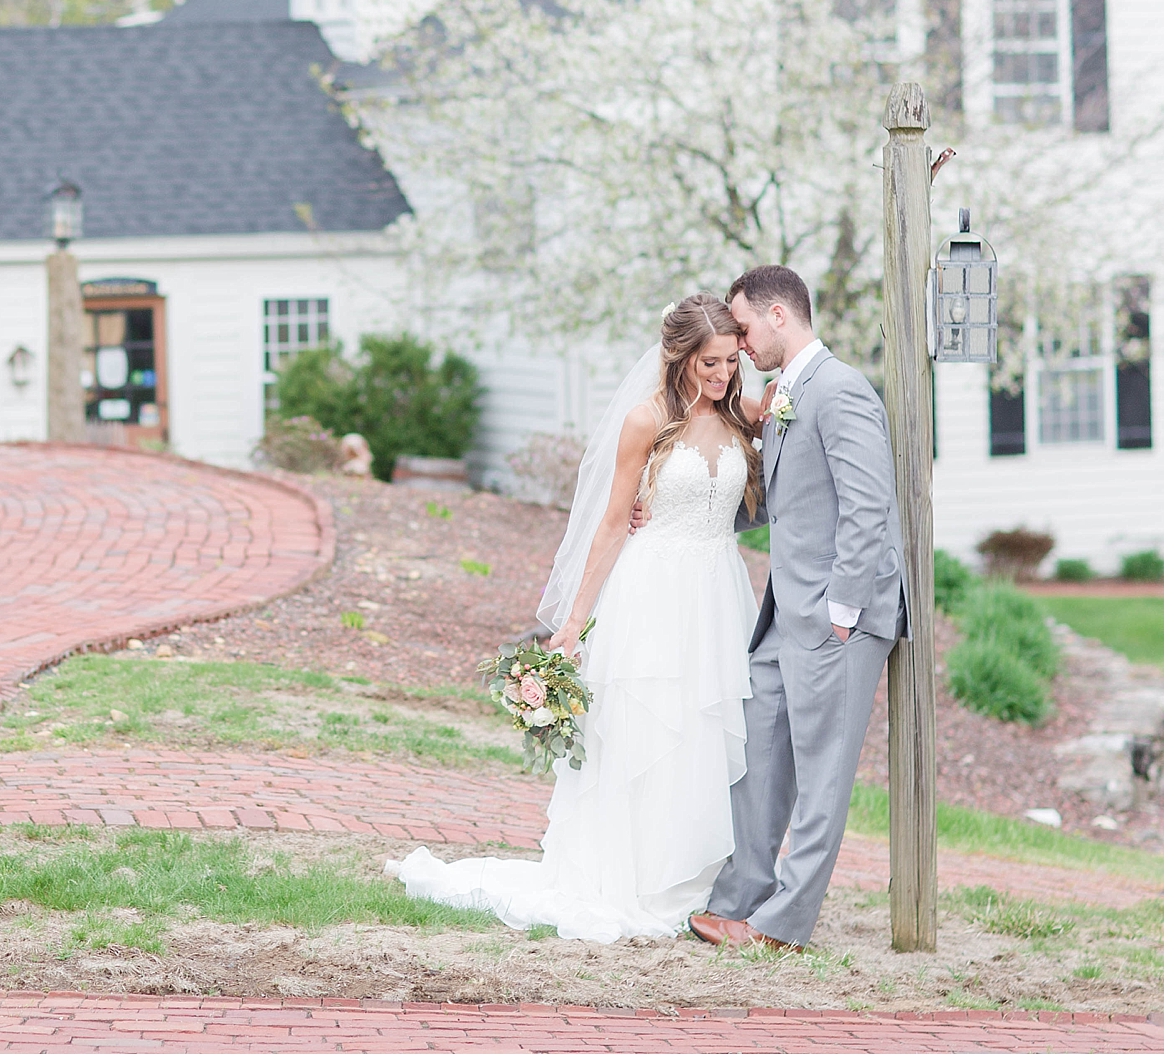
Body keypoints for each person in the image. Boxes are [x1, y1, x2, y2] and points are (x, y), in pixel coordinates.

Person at [385, 294, 766, 943]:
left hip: (717, 594)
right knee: (649, 726)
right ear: (678, 358)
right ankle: (635, 879)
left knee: (703, 729)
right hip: (651, 593)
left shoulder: (744, 420)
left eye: (732, 361)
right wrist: (574, 621)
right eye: (709, 362)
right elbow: (614, 521)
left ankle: (692, 879)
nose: (723, 374)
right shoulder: (646, 421)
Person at [689, 265, 905, 952]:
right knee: (758, 753)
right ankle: (739, 899)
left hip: (839, 617)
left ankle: (782, 927)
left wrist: (842, 609)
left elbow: (868, 505)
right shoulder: (787, 394)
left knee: (821, 772)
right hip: (787, 615)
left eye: (745, 327)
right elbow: (788, 502)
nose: (740, 343)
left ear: (779, 316)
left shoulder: (840, 391)